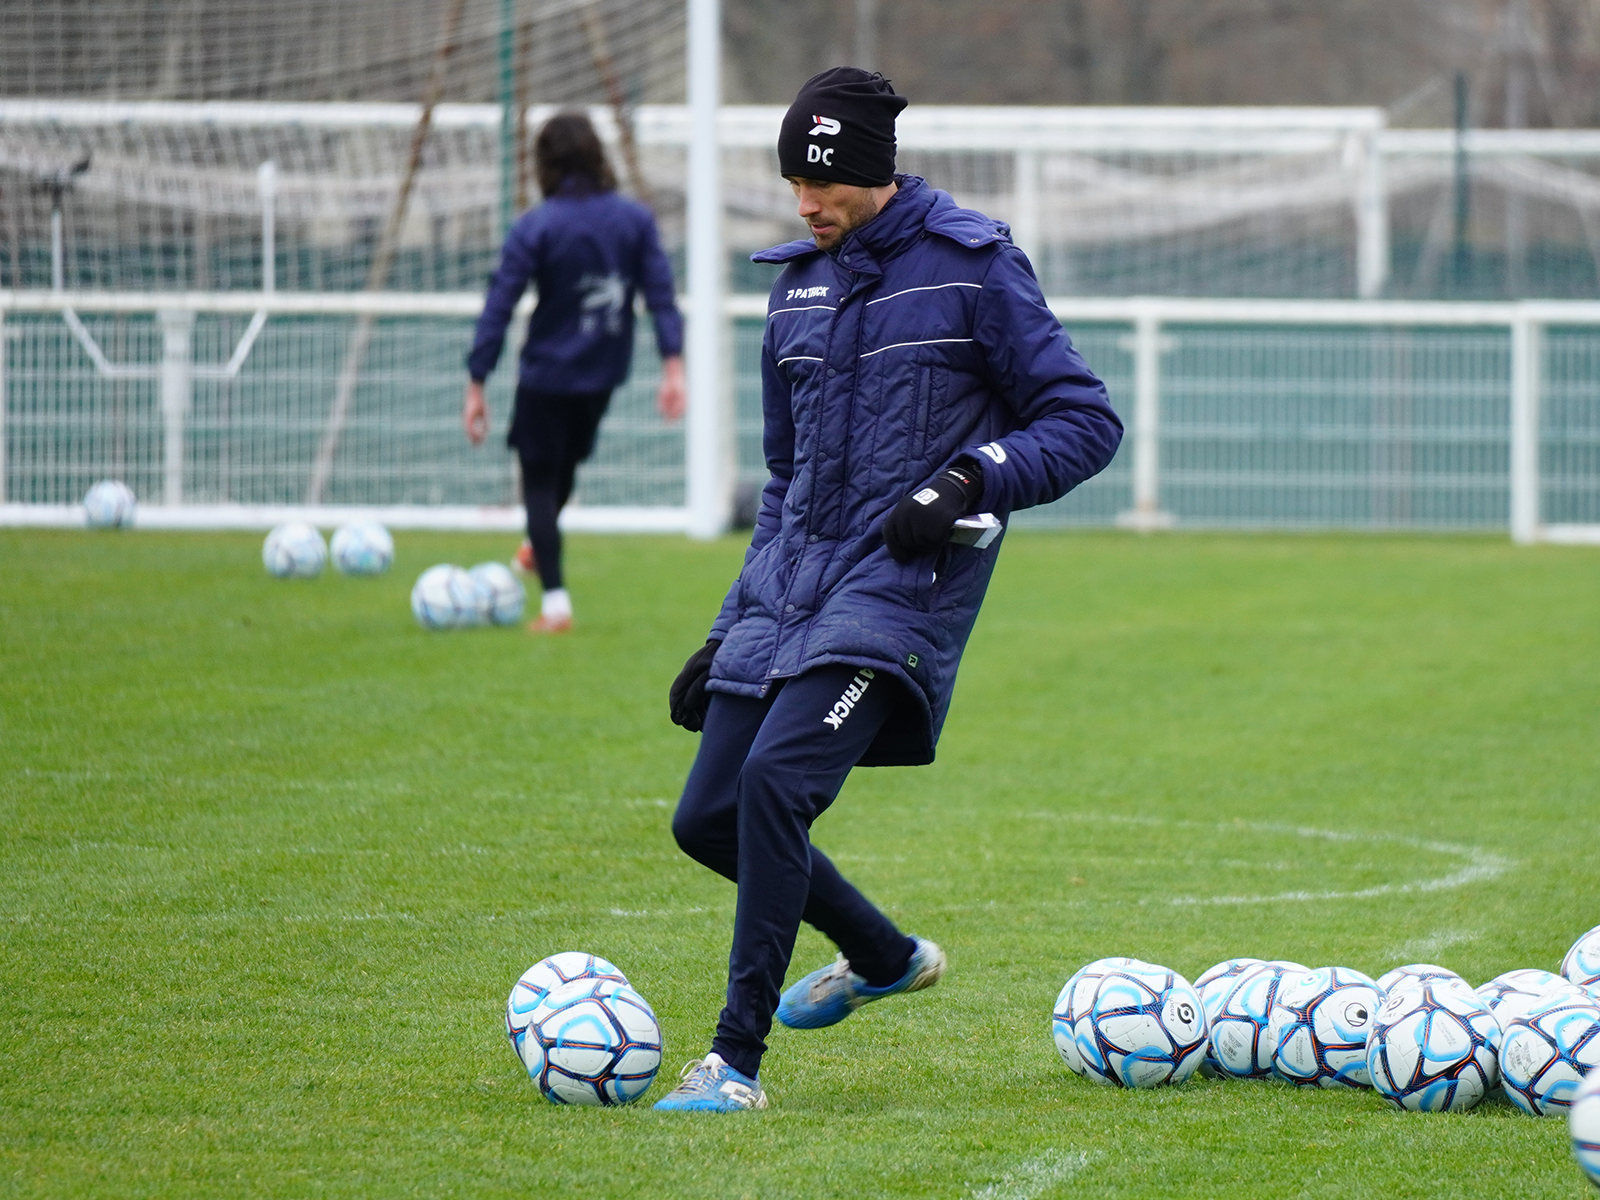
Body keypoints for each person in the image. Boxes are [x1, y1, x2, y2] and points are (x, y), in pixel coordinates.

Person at [653, 68, 1124, 1112]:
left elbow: (1084, 421)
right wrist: (726, 632)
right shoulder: (795, 287)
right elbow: (786, 485)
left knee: (775, 784)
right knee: (706, 820)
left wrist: (972, 476)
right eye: (790, 183)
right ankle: (882, 954)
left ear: (869, 173)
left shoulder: (972, 267)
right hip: (789, 596)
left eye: (818, 184)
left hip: (897, 600)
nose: (803, 203)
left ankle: (732, 1064)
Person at [464, 111, 685, 633]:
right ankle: (538, 548)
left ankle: (556, 605)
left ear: (544, 164)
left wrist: (477, 380)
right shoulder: (635, 220)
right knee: (561, 472)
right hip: (604, 374)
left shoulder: (536, 225)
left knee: (539, 483)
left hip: (546, 377)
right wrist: (673, 366)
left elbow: (500, 303)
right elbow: (659, 293)